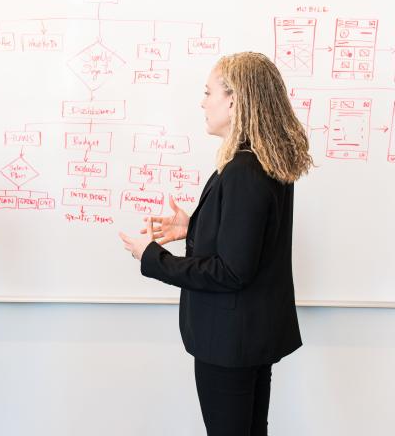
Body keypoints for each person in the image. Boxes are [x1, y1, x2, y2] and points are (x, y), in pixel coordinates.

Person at [119, 52, 313, 435]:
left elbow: (231, 271)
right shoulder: (266, 162)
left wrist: (153, 258)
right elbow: (251, 241)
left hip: (230, 344)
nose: (202, 102)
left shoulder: (243, 169)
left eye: (209, 92)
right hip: (250, 338)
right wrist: (193, 226)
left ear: (235, 100)